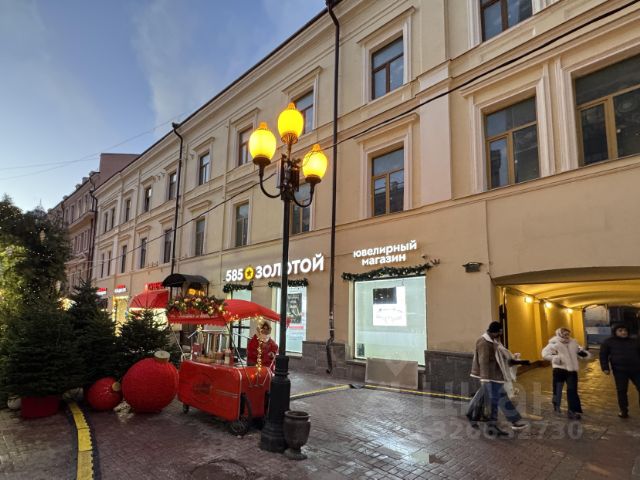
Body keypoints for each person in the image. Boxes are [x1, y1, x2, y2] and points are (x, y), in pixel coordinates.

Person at [470, 321, 529, 436]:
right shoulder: (484, 342)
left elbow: (502, 358)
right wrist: (485, 380)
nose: (500, 335)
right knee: (494, 401)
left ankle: (511, 423)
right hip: (489, 378)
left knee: (498, 400)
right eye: (499, 332)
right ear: (495, 332)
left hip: (496, 377)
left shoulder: (495, 341)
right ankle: (492, 425)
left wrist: (516, 360)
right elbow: (483, 362)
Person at [542, 327, 591, 420]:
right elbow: (544, 354)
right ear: (559, 334)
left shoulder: (573, 343)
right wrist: (556, 358)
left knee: (572, 390)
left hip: (572, 371)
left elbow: (580, 353)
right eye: (564, 334)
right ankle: (556, 406)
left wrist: (583, 354)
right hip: (559, 370)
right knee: (557, 390)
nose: (566, 336)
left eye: (568, 334)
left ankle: (572, 411)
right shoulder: (554, 343)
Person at [599, 324, 640, 418]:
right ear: (615, 332)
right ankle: (623, 410)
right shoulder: (608, 342)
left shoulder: (634, 341)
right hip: (620, 371)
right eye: (620, 330)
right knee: (622, 390)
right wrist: (605, 367)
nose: (623, 332)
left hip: (636, 370)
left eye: (625, 330)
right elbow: (603, 355)